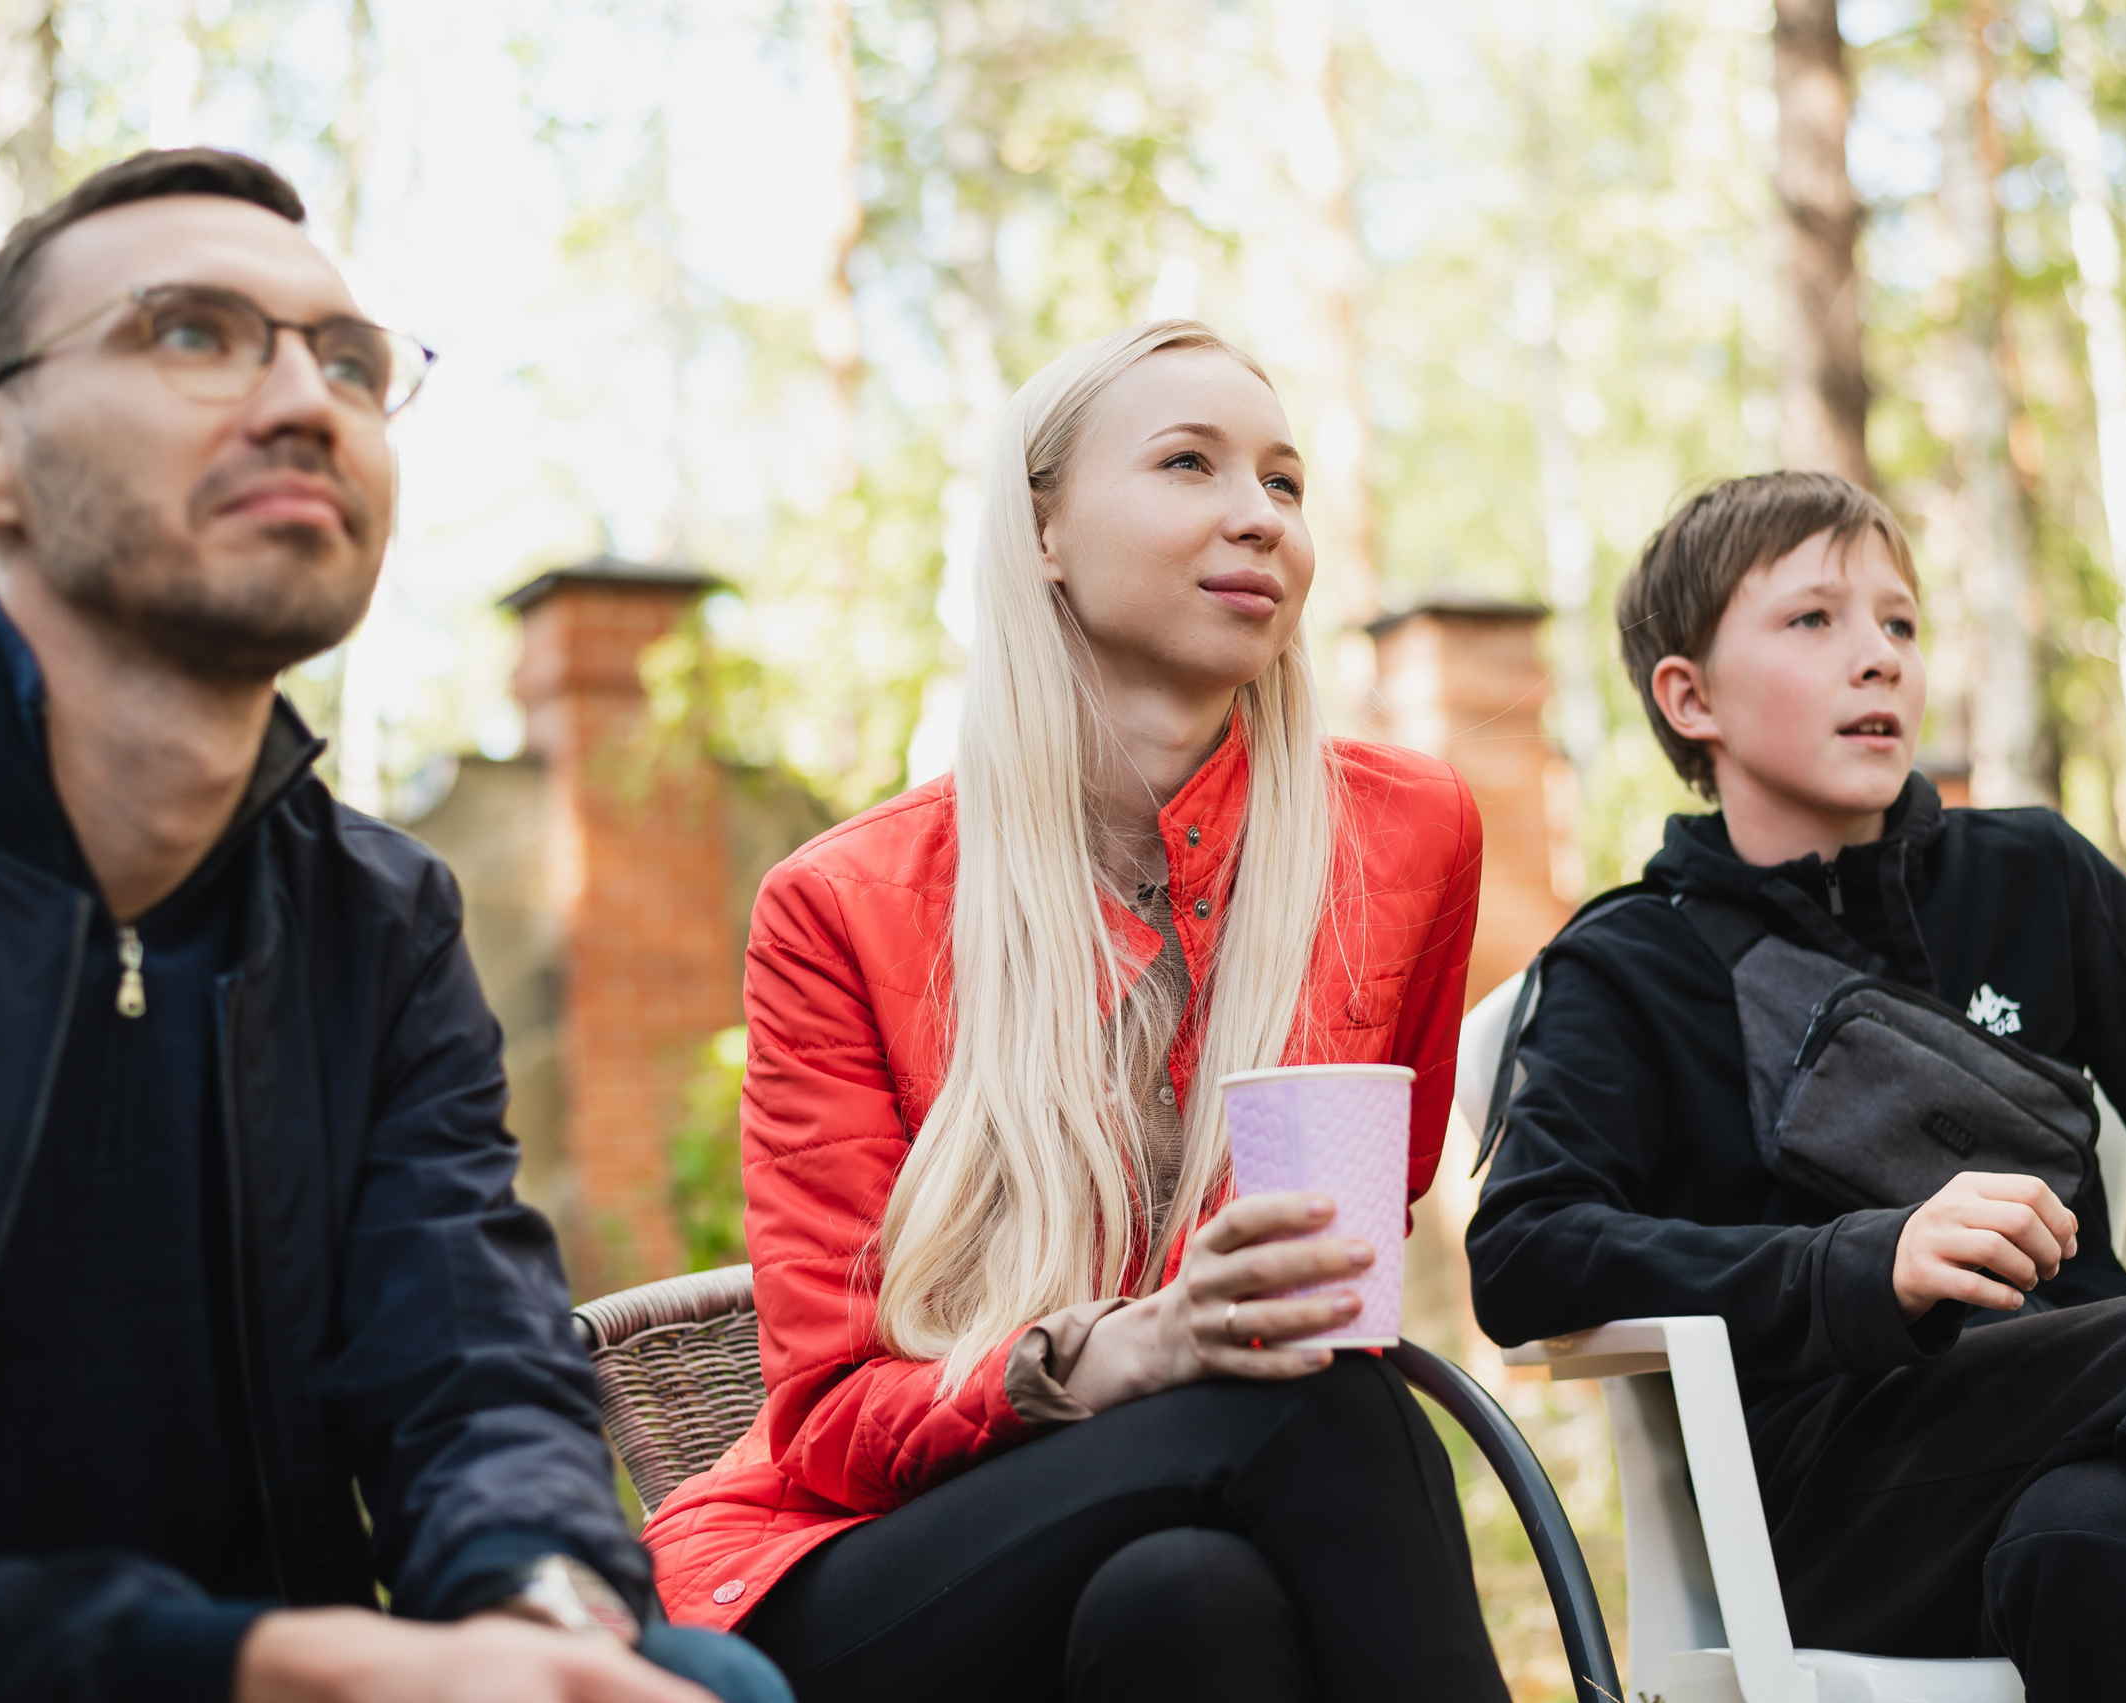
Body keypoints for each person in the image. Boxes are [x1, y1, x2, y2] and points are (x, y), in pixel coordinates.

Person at [0, 149, 787, 1703]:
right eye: (193, 334)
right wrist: (269, 1662)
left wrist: (546, 1613)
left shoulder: (382, 918)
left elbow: (474, 1373)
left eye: (347, 359)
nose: (305, 400)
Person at [638, 320, 1502, 1702]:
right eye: (1187, 464)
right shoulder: (845, 902)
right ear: (1043, 530)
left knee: (1190, 1596)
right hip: (870, 1564)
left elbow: (1360, 1234)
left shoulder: (1404, 837)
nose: (1257, 516)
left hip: (1190, 1521)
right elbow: (828, 1419)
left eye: (1285, 483)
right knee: (1323, 1408)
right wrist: (1130, 1349)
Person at [1465, 470, 2126, 1702]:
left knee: (2089, 1544)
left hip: (2109, 1434)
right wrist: (1864, 1263)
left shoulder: (2035, 878)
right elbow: (1527, 1248)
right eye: (1813, 620)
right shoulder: (1629, 965)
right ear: (1688, 696)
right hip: (1845, 1505)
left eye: (1899, 623)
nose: (1879, 660)